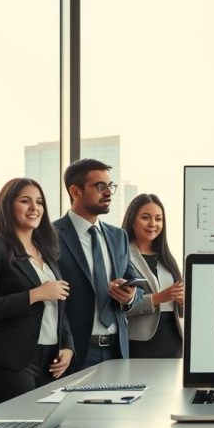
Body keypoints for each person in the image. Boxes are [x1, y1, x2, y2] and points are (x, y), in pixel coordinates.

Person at [0, 179, 75, 408]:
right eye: (25, 201)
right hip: (7, 363)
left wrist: (67, 346)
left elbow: (59, 307)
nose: (34, 208)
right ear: (7, 206)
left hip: (50, 361)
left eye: (39, 202)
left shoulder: (47, 251)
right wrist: (34, 295)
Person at [54, 159, 144, 373]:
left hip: (117, 350)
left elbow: (138, 287)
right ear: (75, 191)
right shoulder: (51, 236)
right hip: (75, 353)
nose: (109, 192)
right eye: (100, 186)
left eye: (110, 186)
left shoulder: (118, 235)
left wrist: (129, 297)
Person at [122, 194, 185, 358]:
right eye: (145, 217)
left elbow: (180, 307)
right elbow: (118, 307)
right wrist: (158, 298)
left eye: (159, 219)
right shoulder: (121, 256)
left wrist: (182, 300)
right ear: (132, 220)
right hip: (139, 343)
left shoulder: (166, 258)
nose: (153, 224)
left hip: (172, 340)